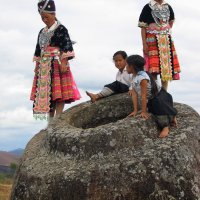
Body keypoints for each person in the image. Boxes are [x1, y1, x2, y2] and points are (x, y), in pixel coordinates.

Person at [30, 0, 81, 120]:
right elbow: (38, 50)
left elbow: (67, 46)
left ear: (53, 14)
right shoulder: (41, 32)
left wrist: (64, 62)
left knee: (59, 92)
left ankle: (57, 118)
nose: (44, 20)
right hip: (44, 66)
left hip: (57, 63)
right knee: (47, 93)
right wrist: (37, 65)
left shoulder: (61, 29)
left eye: (46, 17)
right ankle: (50, 119)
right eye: (42, 17)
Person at [126, 55, 177, 138]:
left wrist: (144, 111)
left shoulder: (142, 78)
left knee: (159, 114)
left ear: (132, 66)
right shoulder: (133, 76)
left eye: (127, 65)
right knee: (152, 111)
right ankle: (171, 116)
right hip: (152, 99)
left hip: (161, 97)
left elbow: (143, 96)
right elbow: (134, 94)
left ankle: (166, 127)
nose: (126, 67)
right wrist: (135, 110)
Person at [138, 0, 181, 90]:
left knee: (166, 68)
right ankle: (155, 91)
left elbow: (171, 22)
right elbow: (143, 27)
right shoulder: (147, 7)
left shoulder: (168, 7)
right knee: (153, 68)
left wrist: (163, 30)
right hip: (151, 40)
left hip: (165, 40)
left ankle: (164, 92)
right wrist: (144, 44)